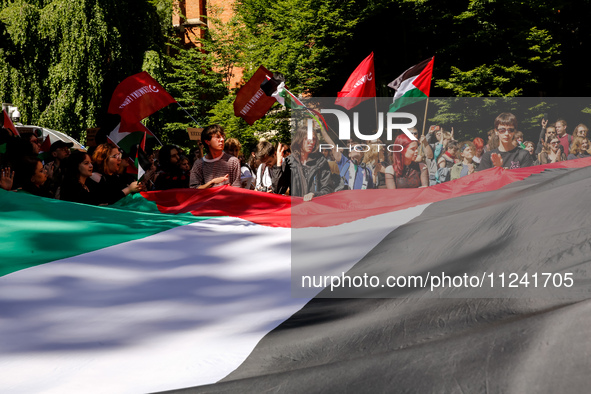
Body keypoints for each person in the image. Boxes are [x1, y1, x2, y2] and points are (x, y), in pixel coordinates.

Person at [272, 127, 332, 201]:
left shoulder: (321, 161)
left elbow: (328, 188)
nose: (311, 142)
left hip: (315, 207)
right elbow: (278, 190)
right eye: (307, 138)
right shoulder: (290, 161)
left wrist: (314, 195)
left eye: (313, 139)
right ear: (299, 140)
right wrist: (279, 164)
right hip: (296, 208)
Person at [189, 125, 241, 189]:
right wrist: (212, 182)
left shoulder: (233, 161)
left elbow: (237, 188)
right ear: (207, 141)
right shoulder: (199, 164)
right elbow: (193, 188)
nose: (222, 139)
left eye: (223, 137)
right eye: (218, 137)